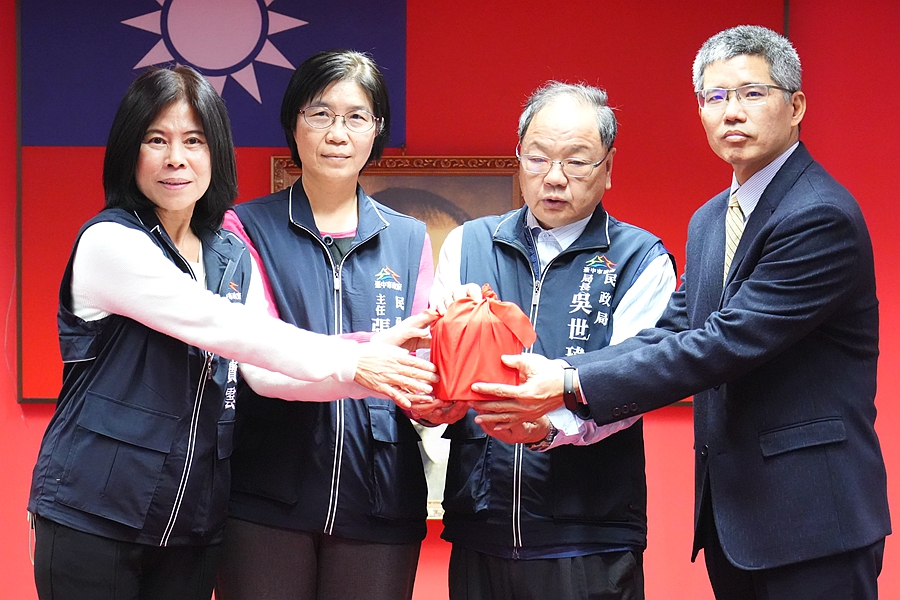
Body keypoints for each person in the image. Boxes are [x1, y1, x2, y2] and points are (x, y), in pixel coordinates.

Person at [470, 26, 890, 600]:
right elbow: (671, 331)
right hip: (735, 521)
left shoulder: (819, 215)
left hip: (814, 520)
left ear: (795, 107)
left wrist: (568, 380)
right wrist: (566, 383)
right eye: (716, 97)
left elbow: (724, 342)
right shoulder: (712, 220)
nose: (732, 112)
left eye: (752, 93)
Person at [26, 65, 437, 600]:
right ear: (129, 151)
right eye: (156, 140)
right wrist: (356, 358)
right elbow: (224, 327)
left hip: (188, 523)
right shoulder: (110, 242)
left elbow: (264, 371)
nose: (177, 158)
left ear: (216, 151)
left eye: (194, 141)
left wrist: (373, 361)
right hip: (95, 511)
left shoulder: (228, 253)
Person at [427, 82, 676, 600]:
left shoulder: (641, 260)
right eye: (538, 158)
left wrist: (548, 428)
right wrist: (431, 400)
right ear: (519, 157)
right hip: (481, 524)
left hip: (589, 532)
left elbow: (637, 382)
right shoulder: (467, 244)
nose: (555, 177)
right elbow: (436, 367)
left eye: (577, 162)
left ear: (608, 166)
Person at [215, 50, 436, 600]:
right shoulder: (245, 227)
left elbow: (422, 365)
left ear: (377, 130)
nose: (338, 133)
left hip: (381, 495)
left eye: (356, 117)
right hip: (266, 493)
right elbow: (256, 356)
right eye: (320, 114)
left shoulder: (410, 238)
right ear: (294, 123)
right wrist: (369, 356)